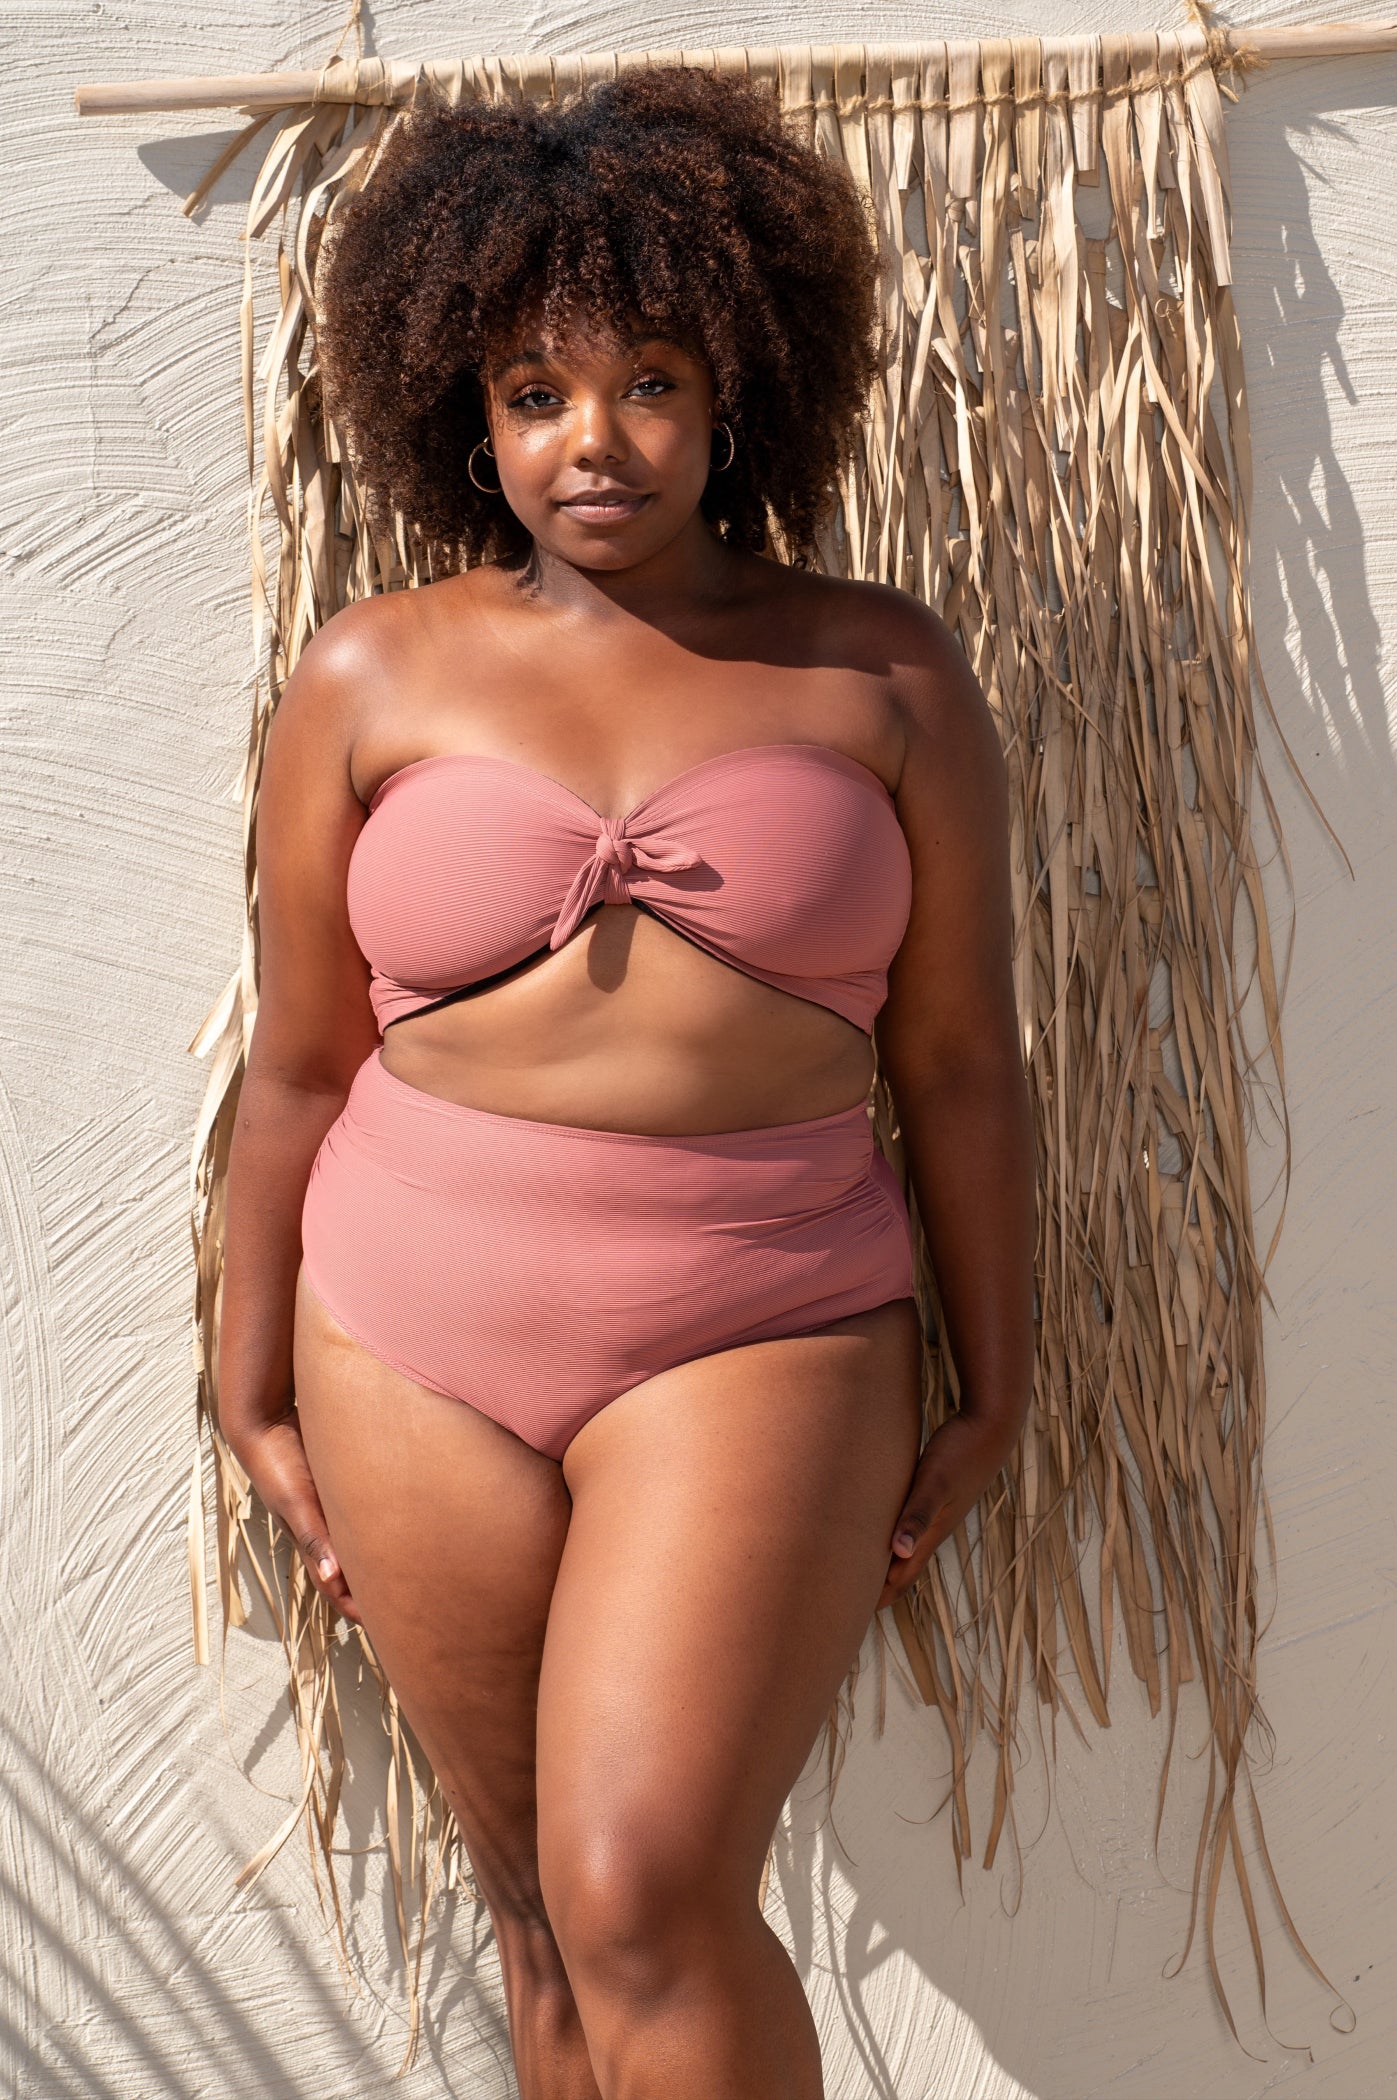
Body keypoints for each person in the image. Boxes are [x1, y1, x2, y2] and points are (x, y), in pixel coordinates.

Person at [216, 62, 1036, 2100]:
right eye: (534, 391)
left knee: (645, 1886)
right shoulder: (369, 675)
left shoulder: (883, 670)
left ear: (735, 385)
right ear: (464, 413)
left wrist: (1004, 1376)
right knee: (536, 1916)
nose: (595, 441)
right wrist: (250, 1379)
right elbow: (306, 1065)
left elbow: (955, 1060)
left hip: (756, 1318)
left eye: (650, 381)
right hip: (405, 1332)